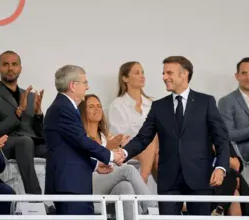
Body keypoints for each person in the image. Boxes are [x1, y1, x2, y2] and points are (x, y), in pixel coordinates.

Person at [117, 56, 229, 216]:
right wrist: (124, 153)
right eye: (163, 73)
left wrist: (220, 167)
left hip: (199, 177)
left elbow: (221, 139)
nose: (164, 77)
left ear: (184, 74)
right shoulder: (158, 106)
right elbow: (143, 137)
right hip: (168, 179)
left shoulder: (206, 102)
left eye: (169, 73)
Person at [44, 65, 123, 215]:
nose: (88, 87)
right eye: (85, 82)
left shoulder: (65, 107)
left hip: (75, 183)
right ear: (73, 86)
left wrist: (94, 165)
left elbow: (71, 148)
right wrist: (111, 155)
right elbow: (81, 141)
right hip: (69, 185)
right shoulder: (62, 108)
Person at [0, 50, 46, 194]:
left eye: (14, 64)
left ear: (20, 69)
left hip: (32, 144)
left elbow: (41, 134)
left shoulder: (30, 96)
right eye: (5, 64)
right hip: (6, 145)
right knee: (25, 141)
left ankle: (60, 201)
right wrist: (17, 113)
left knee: (58, 148)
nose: (10, 68)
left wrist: (38, 115)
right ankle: (34, 197)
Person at [80, 94, 153, 219]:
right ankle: (153, 210)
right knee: (128, 170)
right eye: (91, 107)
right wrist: (107, 149)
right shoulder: (80, 136)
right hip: (89, 183)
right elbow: (84, 163)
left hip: (109, 181)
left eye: (99, 106)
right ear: (83, 111)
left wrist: (119, 151)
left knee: (126, 187)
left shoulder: (107, 137)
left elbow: (115, 164)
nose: (97, 109)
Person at [108, 61, 158, 183]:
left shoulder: (152, 104)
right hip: (130, 149)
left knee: (160, 152)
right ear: (125, 78)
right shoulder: (117, 105)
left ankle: (168, 197)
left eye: (142, 73)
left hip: (154, 150)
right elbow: (120, 138)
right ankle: (144, 181)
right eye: (137, 73)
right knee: (150, 141)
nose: (142, 76)